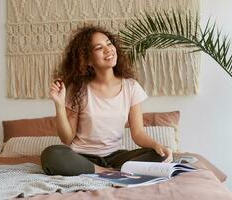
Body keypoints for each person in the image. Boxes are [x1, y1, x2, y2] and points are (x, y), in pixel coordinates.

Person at [41, 25, 173, 176]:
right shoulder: (78, 90)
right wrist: (59, 105)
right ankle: (104, 171)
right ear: (87, 60)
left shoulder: (131, 87)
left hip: (116, 156)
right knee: (51, 155)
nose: (108, 49)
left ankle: (112, 170)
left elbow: (138, 133)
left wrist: (157, 145)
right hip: (82, 157)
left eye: (109, 43)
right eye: (99, 48)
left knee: (159, 155)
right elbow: (67, 138)